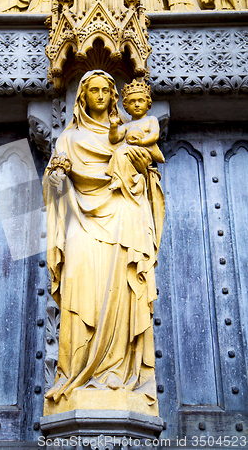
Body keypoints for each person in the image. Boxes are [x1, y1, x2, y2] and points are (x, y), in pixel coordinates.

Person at [43, 70, 164, 414]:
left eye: (105, 91)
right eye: (92, 90)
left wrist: (142, 171)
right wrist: (57, 176)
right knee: (81, 292)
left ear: (114, 97)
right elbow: (53, 191)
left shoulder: (130, 135)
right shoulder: (70, 139)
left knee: (123, 295)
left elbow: (147, 179)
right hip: (82, 220)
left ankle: (122, 377)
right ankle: (77, 377)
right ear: (82, 97)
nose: (99, 95)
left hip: (124, 218)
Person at [107, 79, 165, 193]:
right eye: (132, 102)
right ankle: (119, 179)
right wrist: (114, 125)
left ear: (148, 103)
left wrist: (142, 142)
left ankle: (133, 179)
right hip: (129, 151)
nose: (137, 105)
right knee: (118, 153)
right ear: (126, 106)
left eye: (140, 101)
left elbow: (154, 134)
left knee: (123, 153)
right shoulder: (127, 125)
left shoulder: (150, 120)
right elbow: (114, 139)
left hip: (144, 152)